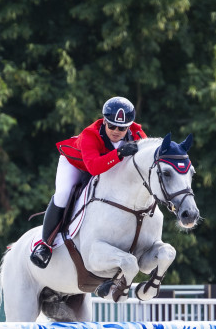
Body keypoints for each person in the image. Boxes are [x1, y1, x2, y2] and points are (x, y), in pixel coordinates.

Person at [30, 96, 147, 268]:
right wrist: (119, 153)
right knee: (63, 194)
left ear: (129, 126)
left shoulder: (138, 135)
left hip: (108, 166)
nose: (116, 131)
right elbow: (93, 168)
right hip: (77, 164)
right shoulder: (90, 135)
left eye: (122, 128)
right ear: (104, 121)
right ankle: (45, 244)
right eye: (111, 126)